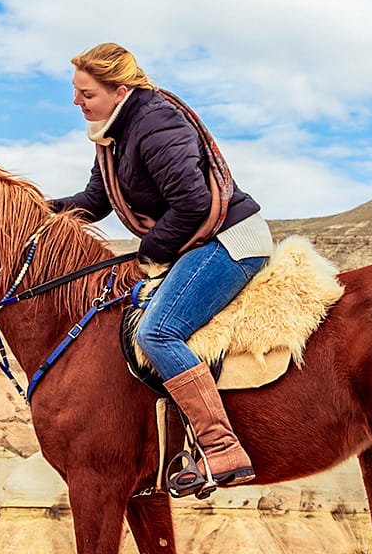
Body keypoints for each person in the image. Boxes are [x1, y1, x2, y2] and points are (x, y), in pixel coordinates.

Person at [50, 43, 274, 496]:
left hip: (229, 241)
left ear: (120, 91)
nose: (76, 102)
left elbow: (193, 204)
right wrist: (30, 210)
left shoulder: (155, 122)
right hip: (193, 243)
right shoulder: (112, 136)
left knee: (158, 333)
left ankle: (221, 448)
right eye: (75, 91)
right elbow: (95, 202)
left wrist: (148, 254)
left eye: (86, 93)